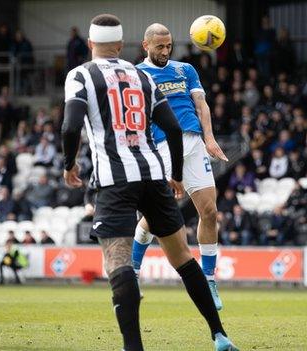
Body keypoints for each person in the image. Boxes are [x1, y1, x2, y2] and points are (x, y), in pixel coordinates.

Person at [61, 14, 237, 351]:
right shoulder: (139, 75)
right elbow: (171, 126)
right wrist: (173, 173)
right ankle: (219, 335)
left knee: (117, 261)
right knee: (184, 258)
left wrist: (69, 165)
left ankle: (134, 347)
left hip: (115, 178)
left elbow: (70, 127)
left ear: (90, 44)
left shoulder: (81, 74)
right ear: (125, 44)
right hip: (154, 172)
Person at [132, 23, 229, 310]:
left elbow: (201, 105)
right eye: (160, 47)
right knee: (155, 215)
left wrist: (209, 138)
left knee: (210, 212)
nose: (165, 51)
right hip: (160, 147)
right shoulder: (137, 74)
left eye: (169, 46)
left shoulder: (185, 70)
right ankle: (132, 271)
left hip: (194, 143)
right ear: (145, 45)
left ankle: (209, 279)